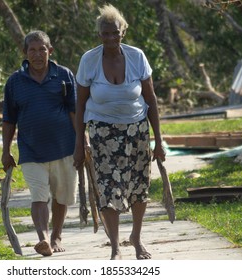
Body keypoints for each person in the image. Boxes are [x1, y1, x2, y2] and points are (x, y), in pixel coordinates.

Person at [73, 4, 166, 260]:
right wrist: (79, 143)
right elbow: (79, 105)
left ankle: (136, 238)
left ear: (122, 32)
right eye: (105, 33)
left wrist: (159, 141)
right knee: (107, 188)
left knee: (139, 187)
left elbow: (151, 99)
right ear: (99, 34)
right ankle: (114, 245)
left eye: (115, 33)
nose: (111, 38)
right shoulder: (89, 60)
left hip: (137, 131)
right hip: (103, 134)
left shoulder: (137, 57)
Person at [1, 30, 78, 257]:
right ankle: (43, 238)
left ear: (50, 51)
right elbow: (8, 119)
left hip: (64, 148)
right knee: (39, 196)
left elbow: (74, 111)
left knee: (61, 196)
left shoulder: (64, 75)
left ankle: (56, 236)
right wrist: (6, 151)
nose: (37, 55)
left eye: (42, 49)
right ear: (25, 53)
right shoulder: (15, 82)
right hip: (31, 150)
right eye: (32, 50)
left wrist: (82, 143)